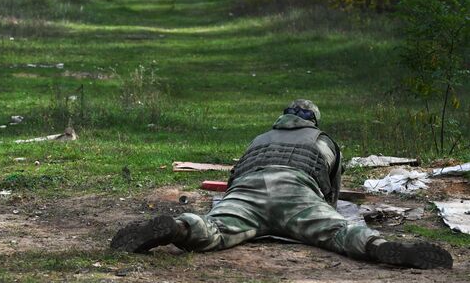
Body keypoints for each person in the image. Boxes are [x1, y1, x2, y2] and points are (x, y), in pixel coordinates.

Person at [111, 99, 453, 270]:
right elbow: (331, 195)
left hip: (247, 190)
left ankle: (178, 227)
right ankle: (378, 247)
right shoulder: (324, 140)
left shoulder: (260, 137)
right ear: (313, 120)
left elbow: (235, 178)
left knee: (215, 230)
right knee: (337, 231)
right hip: (297, 190)